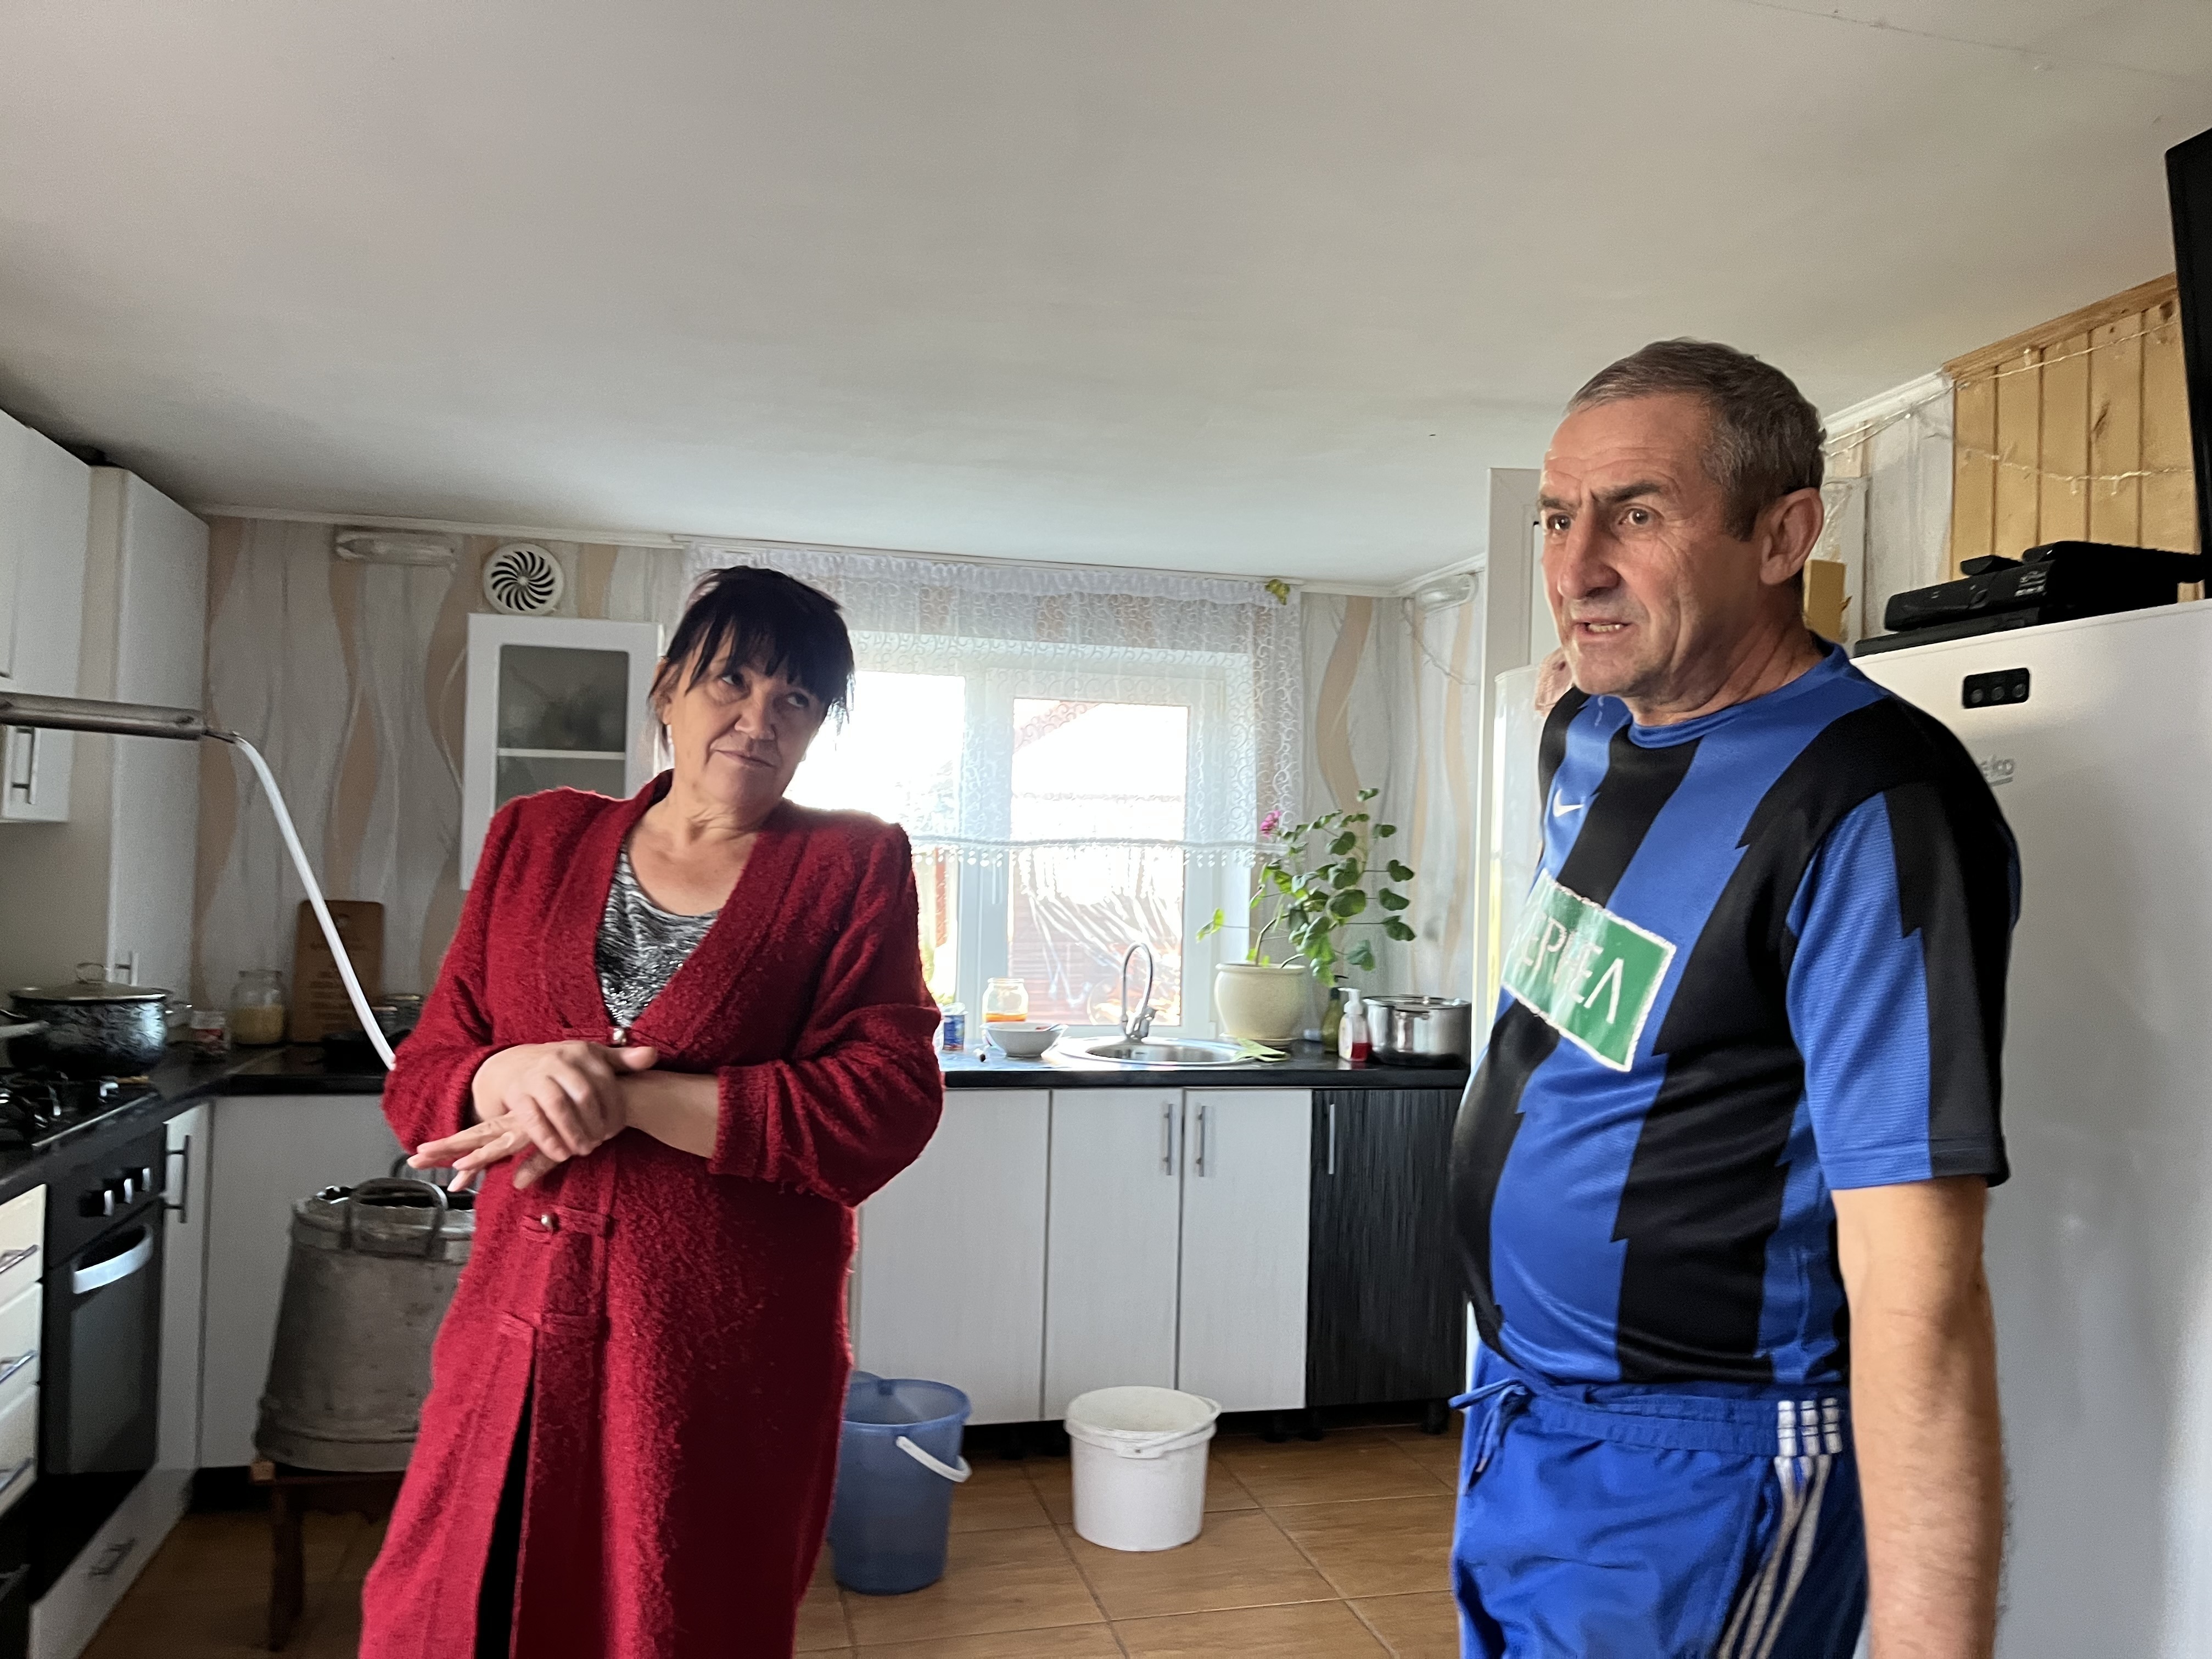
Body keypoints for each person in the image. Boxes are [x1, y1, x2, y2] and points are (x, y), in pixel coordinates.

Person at [1449, 340, 2015, 1658]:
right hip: (1528, 1423)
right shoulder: (1590, 731)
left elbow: (1916, 1292)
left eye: (1635, 513)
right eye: (1555, 513)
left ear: (1782, 534)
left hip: (1708, 1468)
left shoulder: (1868, 800)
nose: (1572, 563)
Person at [358, 567, 944, 1659]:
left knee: (674, 1614)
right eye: (730, 678)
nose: (758, 718)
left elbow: (888, 1100)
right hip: (514, 1322)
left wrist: (631, 1099)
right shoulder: (535, 837)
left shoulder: (853, 864)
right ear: (669, 686)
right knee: (455, 1605)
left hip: (716, 1352)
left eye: (797, 699)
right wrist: (504, 1077)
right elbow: (426, 1067)